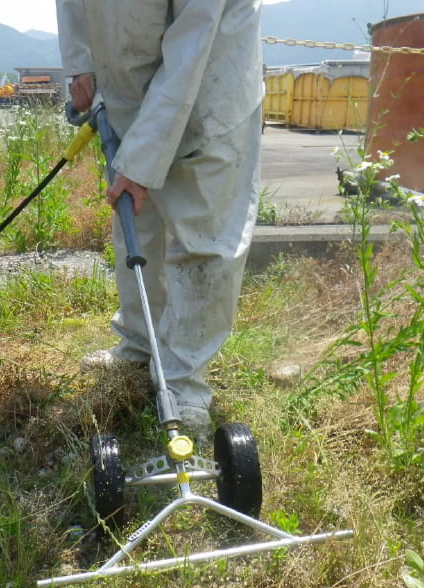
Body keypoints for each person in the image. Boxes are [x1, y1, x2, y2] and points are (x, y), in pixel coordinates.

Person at [56, 0, 263, 437]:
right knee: (136, 224)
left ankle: (182, 383)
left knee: (204, 243)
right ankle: (139, 343)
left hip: (211, 84)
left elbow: (192, 47)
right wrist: (82, 63)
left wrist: (142, 160)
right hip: (128, 86)